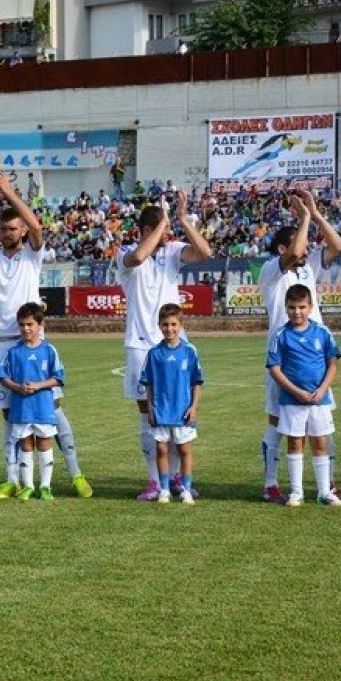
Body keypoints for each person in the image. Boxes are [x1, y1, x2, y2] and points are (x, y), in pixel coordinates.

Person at [0, 170, 90, 497]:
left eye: (12, 228)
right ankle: (13, 478)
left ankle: (76, 473)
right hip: (2, 345)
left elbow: (36, 227)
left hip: (33, 344)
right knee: (10, 416)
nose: (6, 233)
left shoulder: (31, 255)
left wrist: (10, 194)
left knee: (54, 412)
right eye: (3, 228)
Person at [118, 190, 211, 499]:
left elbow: (205, 253)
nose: (167, 235)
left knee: (177, 411)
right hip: (140, 344)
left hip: (173, 342)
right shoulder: (126, 253)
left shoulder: (172, 251)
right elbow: (139, 257)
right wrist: (162, 224)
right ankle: (155, 480)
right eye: (161, 229)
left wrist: (182, 220)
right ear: (145, 230)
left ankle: (174, 480)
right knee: (149, 416)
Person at [257, 189, 341, 502]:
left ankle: (328, 483)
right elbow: (294, 254)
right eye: (302, 239)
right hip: (283, 358)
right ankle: (270, 483)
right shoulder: (271, 269)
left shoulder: (309, 268)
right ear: (283, 246)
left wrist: (315, 212)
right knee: (278, 421)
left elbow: (337, 245)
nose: (307, 245)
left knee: (323, 422)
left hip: (315, 358)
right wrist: (304, 217)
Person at [266, 284, 341, 507]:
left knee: (320, 443)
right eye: (292, 307)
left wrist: (322, 389)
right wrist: (297, 391)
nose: (297, 312)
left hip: (319, 399)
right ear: (286, 308)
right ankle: (297, 492)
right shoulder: (281, 335)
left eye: (301, 307)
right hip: (292, 400)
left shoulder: (322, 332)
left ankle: (323, 492)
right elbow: (275, 369)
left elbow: (333, 363)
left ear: (310, 307)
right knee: (295, 443)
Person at [0, 303, 65, 501]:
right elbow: (2, 376)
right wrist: (18, 388)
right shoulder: (14, 352)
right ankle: (27, 486)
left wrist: (39, 385)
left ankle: (45, 486)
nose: (26, 329)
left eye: (30, 324)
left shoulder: (49, 350)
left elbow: (58, 377)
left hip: (43, 408)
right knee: (25, 445)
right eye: (22, 325)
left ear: (40, 325)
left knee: (44, 444)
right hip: (22, 408)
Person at [138, 303, 203, 505]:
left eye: (174, 324)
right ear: (159, 326)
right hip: (161, 411)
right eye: (165, 324)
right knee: (162, 450)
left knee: (184, 450)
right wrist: (150, 408)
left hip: (183, 411)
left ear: (181, 325)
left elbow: (197, 382)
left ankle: (185, 489)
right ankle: (164, 488)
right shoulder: (154, 353)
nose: (170, 329)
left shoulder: (190, 351)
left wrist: (194, 407)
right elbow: (148, 384)